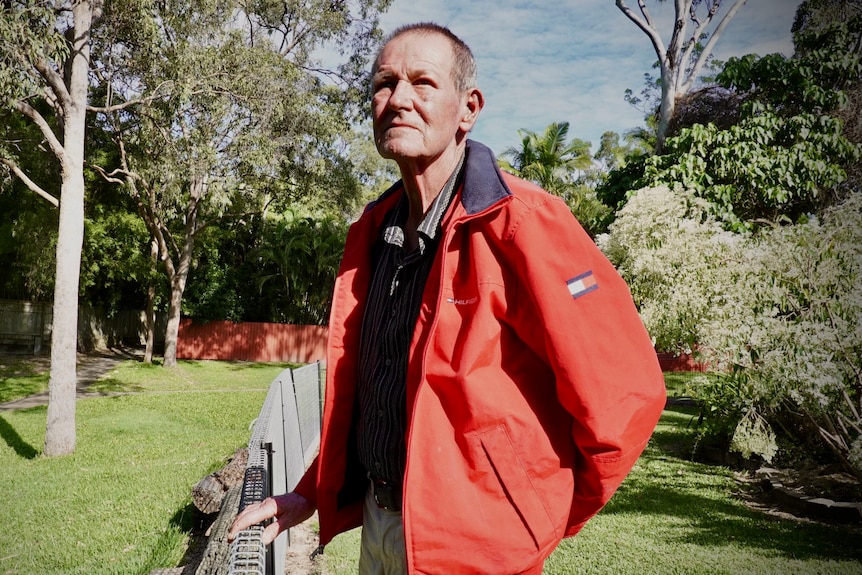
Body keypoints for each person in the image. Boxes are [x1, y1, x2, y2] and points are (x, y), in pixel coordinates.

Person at [229, 22, 666, 575]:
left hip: (478, 549)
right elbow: (377, 399)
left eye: (423, 82)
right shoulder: (373, 234)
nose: (398, 100)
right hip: (381, 529)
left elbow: (626, 393)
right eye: (384, 83)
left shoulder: (524, 223)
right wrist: (311, 491)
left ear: (468, 108)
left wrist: (530, 517)